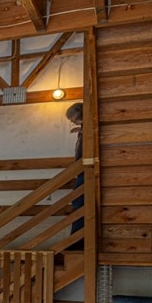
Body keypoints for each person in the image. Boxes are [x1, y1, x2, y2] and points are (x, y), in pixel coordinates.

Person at [66, 103, 85, 248]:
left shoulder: (87, 130)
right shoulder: (83, 130)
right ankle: (76, 239)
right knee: (78, 203)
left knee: (79, 203)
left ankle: (77, 241)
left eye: (71, 117)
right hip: (81, 169)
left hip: (84, 170)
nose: (71, 121)